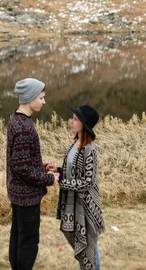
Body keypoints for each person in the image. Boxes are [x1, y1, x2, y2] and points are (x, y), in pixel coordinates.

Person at [7, 78, 60, 270]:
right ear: (30, 98)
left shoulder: (16, 120)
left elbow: (22, 161)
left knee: (17, 237)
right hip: (26, 197)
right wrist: (49, 179)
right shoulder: (24, 128)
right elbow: (21, 167)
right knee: (29, 242)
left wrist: (40, 165)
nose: (44, 101)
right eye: (41, 97)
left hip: (17, 193)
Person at [47, 104, 105, 270]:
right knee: (87, 248)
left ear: (84, 124)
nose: (70, 121)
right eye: (72, 118)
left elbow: (88, 181)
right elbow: (72, 171)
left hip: (86, 206)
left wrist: (61, 181)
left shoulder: (90, 149)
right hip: (74, 202)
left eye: (75, 119)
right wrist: (57, 170)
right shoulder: (74, 145)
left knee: (89, 247)